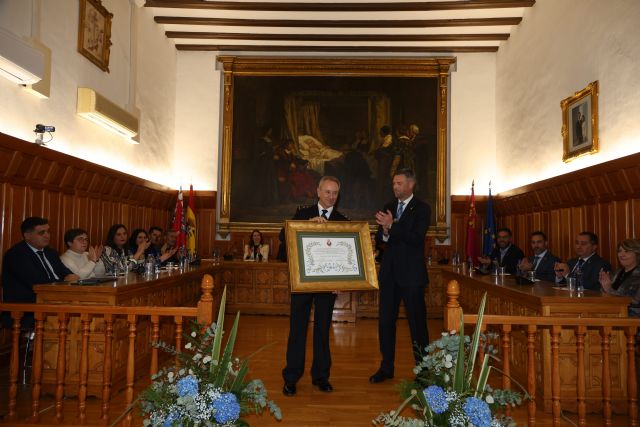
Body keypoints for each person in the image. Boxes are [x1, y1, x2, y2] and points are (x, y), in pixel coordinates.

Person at [280, 176, 349, 396]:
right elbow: (284, 236)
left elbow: (344, 255)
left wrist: (340, 281)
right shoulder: (301, 213)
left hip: (327, 286)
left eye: (335, 193)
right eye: (327, 192)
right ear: (318, 192)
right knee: (297, 330)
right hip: (303, 282)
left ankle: (321, 376)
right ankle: (291, 378)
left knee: (322, 331)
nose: (331, 196)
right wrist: (307, 224)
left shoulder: (342, 220)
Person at [369, 169, 430, 384]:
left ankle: (423, 372)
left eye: (399, 183)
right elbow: (380, 241)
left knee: (417, 325)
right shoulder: (388, 206)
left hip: (412, 276)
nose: (395, 187)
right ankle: (386, 367)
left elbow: (415, 238)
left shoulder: (422, 209)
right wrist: (385, 231)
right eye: (393, 183)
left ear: (411, 185)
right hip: (389, 275)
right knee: (385, 322)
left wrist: (392, 226)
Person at [2, 217, 78, 327]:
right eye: (41, 232)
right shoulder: (17, 254)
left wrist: (68, 277)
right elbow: (37, 283)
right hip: (28, 307)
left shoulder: (50, 252)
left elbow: (67, 273)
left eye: (48, 231)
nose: (47, 235)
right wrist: (64, 281)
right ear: (27, 235)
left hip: (53, 300)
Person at [599, 239, 640, 316]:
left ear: (637, 254)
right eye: (620, 251)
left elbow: (635, 301)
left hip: (632, 317)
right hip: (612, 312)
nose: (621, 254)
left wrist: (609, 289)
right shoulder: (616, 272)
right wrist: (603, 286)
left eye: (627, 251)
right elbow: (607, 295)